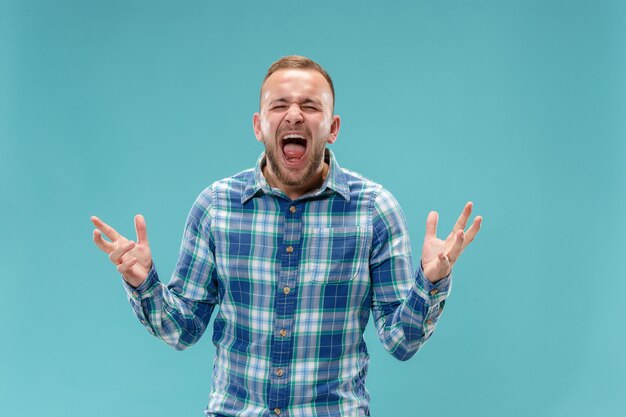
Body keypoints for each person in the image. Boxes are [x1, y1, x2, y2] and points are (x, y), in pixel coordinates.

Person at [91, 55, 482, 417]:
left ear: (332, 128)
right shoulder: (216, 207)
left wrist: (431, 283)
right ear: (259, 125)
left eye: (310, 106)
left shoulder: (375, 210)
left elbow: (401, 341)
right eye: (279, 105)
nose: (294, 114)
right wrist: (143, 284)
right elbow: (182, 329)